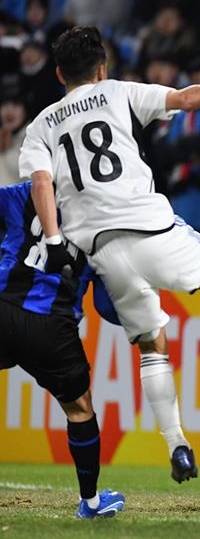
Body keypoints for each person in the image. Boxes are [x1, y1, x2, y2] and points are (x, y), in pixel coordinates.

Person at [17, 26, 200, 483]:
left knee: (150, 346)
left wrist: (56, 244)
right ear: (102, 68)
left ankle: (177, 446)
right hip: (149, 224)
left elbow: (40, 184)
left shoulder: (40, 126)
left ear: (58, 74)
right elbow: (187, 99)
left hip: (101, 249)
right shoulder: (117, 92)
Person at [0, 180, 124, 518]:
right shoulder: (106, 217)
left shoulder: (23, 194)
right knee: (80, 409)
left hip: (3, 305)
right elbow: (106, 305)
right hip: (52, 328)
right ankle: (92, 502)